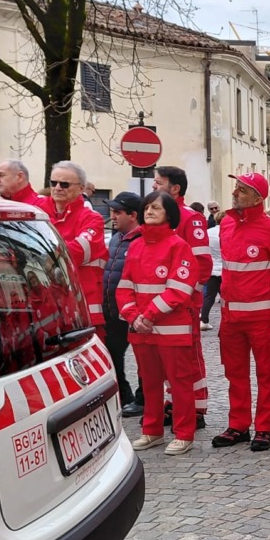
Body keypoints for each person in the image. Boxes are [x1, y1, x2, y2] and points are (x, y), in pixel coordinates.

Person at [116, 191, 198, 455]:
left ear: (169, 215)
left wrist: (147, 316)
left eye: (156, 208)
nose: (149, 211)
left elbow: (178, 289)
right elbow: (124, 286)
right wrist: (133, 316)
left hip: (170, 330)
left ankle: (184, 433)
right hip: (142, 329)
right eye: (147, 207)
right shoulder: (136, 245)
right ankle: (152, 431)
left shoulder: (179, 246)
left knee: (179, 383)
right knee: (149, 383)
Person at [211, 173, 270, 453]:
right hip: (230, 317)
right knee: (235, 373)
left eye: (242, 190)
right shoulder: (227, 223)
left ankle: (264, 428)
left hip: (261, 317)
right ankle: (238, 425)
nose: (235, 192)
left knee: (266, 373)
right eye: (236, 188)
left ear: (258, 198)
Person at [152, 166, 213, 425]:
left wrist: (188, 297)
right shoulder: (159, 218)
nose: (153, 187)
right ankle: (174, 399)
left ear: (175, 189)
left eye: (159, 183)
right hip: (162, 304)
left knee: (189, 355)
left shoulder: (190, 218)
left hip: (183, 304)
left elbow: (202, 264)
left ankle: (196, 406)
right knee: (166, 357)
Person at [48, 161, 109, 338]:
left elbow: (76, 253)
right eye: (53, 183)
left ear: (81, 188)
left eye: (64, 184)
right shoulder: (40, 212)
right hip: (50, 307)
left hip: (84, 308)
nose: (57, 188)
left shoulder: (92, 218)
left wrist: (41, 253)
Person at [102, 192, 145, 416]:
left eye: (118, 212)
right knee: (112, 353)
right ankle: (124, 394)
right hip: (112, 308)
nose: (113, 216)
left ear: (134, 215)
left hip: (133, 310)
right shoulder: (117, 237)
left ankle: (143, 399)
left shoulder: (142, 239)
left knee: (142, 358)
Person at [200, 220, 222, 330]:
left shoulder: (208, 232)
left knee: (209, 296)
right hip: (225, 268)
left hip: (213, 268)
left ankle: (204, 320)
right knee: (228, 298)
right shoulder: (228, 231)